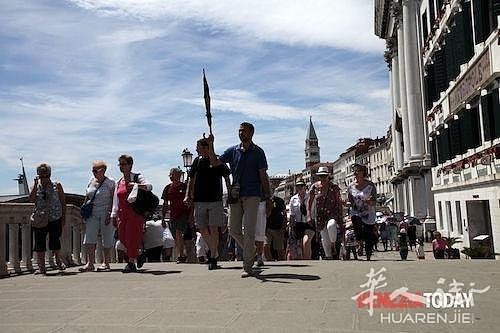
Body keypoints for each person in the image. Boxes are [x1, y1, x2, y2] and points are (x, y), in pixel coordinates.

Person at [207, 122, 272, 278]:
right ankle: (252, 251)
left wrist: (268, 197)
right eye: (239, 131)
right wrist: (211, 145)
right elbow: (214, 162)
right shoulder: (233, 150)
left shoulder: (258, 152)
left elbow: (263, 175)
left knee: (249, 231)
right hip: (236, 195)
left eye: (244, 131)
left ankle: (247, 266)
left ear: (251, 133)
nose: (241, 133)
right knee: (233, 229)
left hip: (253, 195)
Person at [185, 138, 230, 270]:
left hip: (215, 199)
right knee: (202, 228)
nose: (196, 149)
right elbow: (190, 179)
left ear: (205, 147)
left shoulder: (217, 160)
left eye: (198, 147)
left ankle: (213, 257)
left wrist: (230, 191)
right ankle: (214, 253)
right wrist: (188, 194)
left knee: (214, 228)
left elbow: (226, 175)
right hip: (199, 200)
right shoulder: (197, 161)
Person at [110, 154, 153, 273]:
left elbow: (149, 186)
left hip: (135, 212)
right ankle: (138, 254)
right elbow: (116, 199)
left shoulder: (137, 177)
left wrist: (136, 185)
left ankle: (131, 262)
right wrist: (113, 215)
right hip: (122, 213)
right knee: (123, 238)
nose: (121, 167)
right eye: (120, 164)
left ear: (130, 165)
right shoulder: (118, 182)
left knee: (131, 237)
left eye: (124, 164)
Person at [29, 163, 67, 274]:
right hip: (40, 218)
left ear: (50, 174)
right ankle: (42, 267)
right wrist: (36, 185)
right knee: (39, 242)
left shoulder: (57, 185)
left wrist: (63, 217)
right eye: (41, 176)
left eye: (46, 175)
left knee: (55, 241)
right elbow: (31, 200)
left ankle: (58, 261)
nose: (44, 178)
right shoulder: (35, 186)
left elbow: (63, 202)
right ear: (38, 175)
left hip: (55, 217)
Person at [79, 160, 116, 272]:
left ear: (103, 170)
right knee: (89, 237)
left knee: (107, 237)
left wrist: (110, 213)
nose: (94, 173)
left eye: (96, 170)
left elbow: (113, 198)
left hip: (106, 212)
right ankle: (90, 263)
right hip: (92, 213)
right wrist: (84, 210)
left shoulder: (110, 182)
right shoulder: (91, 181)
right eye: (92, 170)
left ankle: (106, 262)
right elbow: (88, 196)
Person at [308, 166, 343, 260]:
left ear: (328, 176)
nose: (322, 178)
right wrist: (309, 216)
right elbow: (310, 202)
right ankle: (329, 256)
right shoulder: (314, 187)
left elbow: (339, 201)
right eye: (320, 176)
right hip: (320, 215)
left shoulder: (334, 187)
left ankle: (333, 244)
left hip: (332, 213)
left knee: (331, 226)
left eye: (324, 176)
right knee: (324, 237)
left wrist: (341, 215)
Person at [347, 163, 377, 261]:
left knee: (369, 235)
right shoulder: (351, 187)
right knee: (356, 220)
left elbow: (374, 201)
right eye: (354, 171)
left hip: (369, 213)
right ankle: (359, 243)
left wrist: (369, 201)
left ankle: (368, 254)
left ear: (363, 172)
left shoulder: (370, 185)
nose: (355, 173)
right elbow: (351, 201)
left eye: (357, 171)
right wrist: (347, 204)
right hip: (357, 212)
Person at [162, 168, 191, 264]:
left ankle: (181, 255)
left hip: (184, 214)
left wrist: (191, 216)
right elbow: (165, 204)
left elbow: (191, 201)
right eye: (170, 175)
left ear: (178, 175)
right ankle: (183, 254)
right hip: (173, 216)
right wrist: (162, 218)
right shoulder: (167, 188)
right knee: (177, 236)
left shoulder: (185, 187)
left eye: (173, 174)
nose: (171, 176)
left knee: (179, 233)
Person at [264, 194, 287, 261]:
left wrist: (284, 226)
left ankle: (282, 263)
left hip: (278, 228)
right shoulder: (265, 201)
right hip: (267, 228)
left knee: (280, 250)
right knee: (265, 246)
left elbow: (284, 213)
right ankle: (270, 261)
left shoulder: (279, 200)